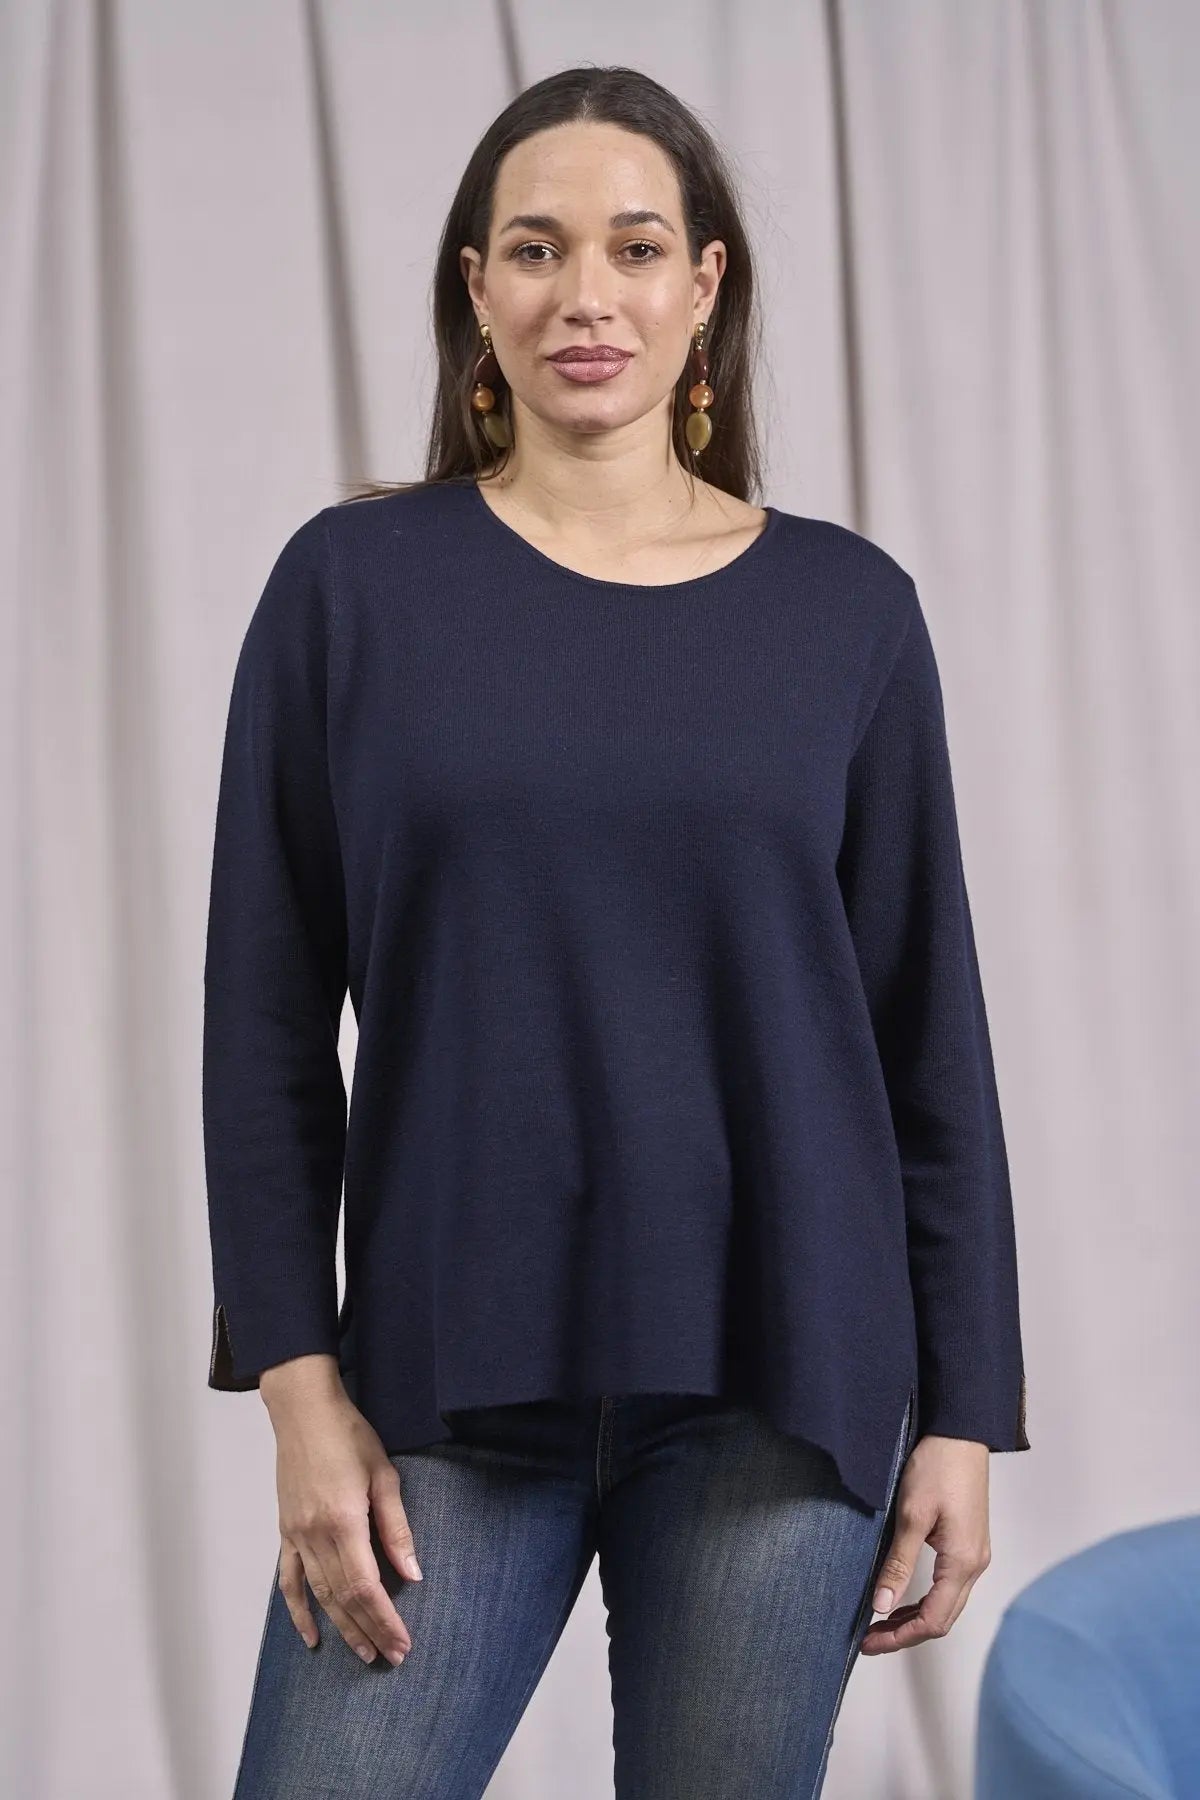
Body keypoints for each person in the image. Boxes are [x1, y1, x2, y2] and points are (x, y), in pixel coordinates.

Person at [202, 64, 1029, 1799]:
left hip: (780, 1385)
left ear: (705, 286)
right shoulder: (351, 591)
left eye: (637, 248)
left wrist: (963, 1411)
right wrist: (298, 1390)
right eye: (537, 249)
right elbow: (262, 1024)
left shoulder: (849, 613)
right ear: (476, 289)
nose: (588, 295)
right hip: (444, 1380)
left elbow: (926, 1042)